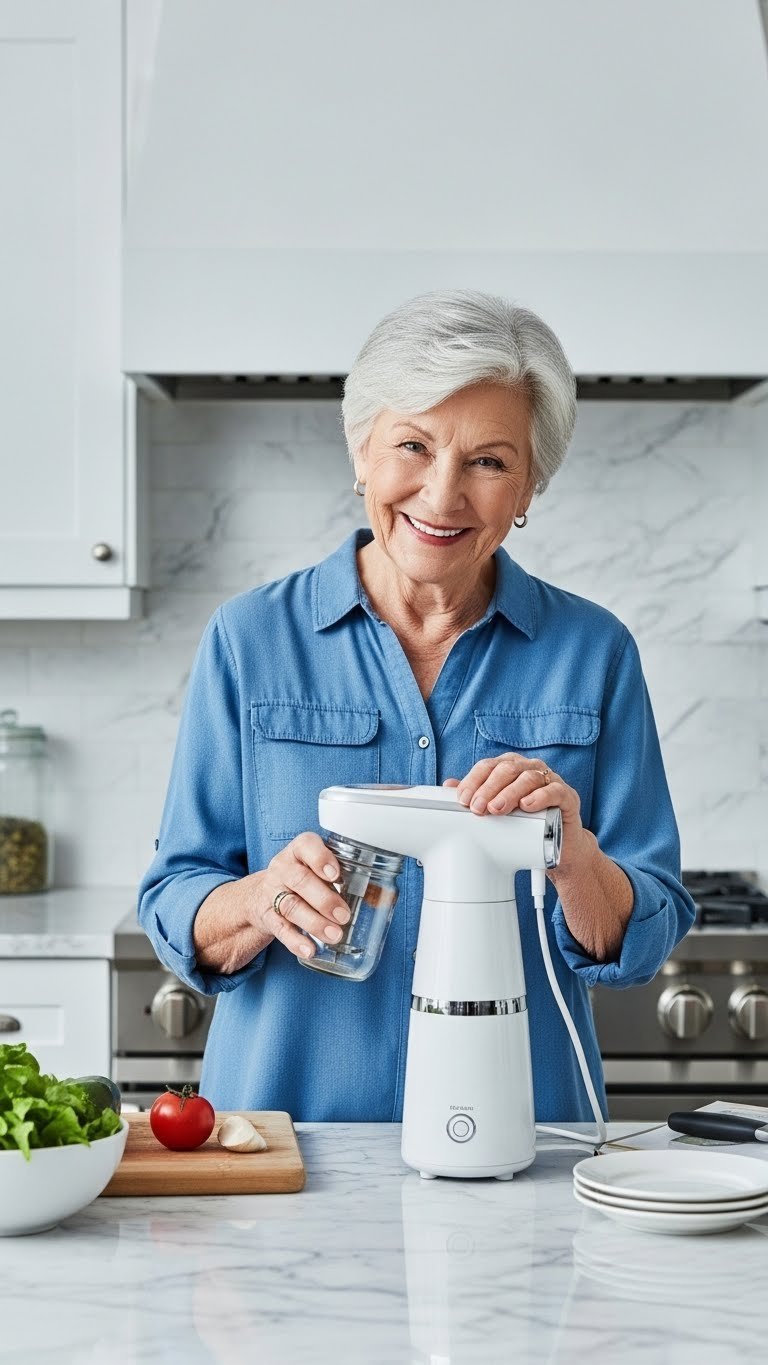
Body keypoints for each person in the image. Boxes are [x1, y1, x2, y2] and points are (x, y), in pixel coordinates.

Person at [137, 289, 695, 1122]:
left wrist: (572, 855)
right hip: (293, 1150)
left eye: (489, 461)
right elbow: (175, 896)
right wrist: (260, 900)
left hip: (523, 1144)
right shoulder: (250, 639)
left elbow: (647, 929)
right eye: (413, 445)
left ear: (529, 487)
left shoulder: (595, 652)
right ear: (362, 451)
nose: (441, 496)